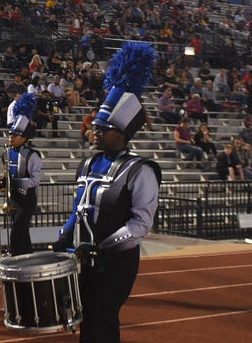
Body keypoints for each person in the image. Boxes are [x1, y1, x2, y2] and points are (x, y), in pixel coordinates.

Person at [53, 42, 159, 343]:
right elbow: (79, 207)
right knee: (88, 319)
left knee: (101, 317)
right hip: (86, 258)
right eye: (96, 127)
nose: (95, 132)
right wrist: (64, 237)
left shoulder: (141, 170)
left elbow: (141, 224)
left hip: (117, 262)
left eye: (103, 128)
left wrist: (102, 247)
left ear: (122, 133)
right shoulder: (88, 163)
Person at [4, 93, 42, 255]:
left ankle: (15, 258)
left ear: (24, 138)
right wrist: (4, 183)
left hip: (27, 199)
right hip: (14, 198)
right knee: (23, 232)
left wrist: (16, 184)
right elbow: (8, 173)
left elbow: (36, 180)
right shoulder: (6, 153)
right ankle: (28, 256)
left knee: (17, 231)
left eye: (15, 135)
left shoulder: (32, 155)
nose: (11, 137)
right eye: (10, 134)